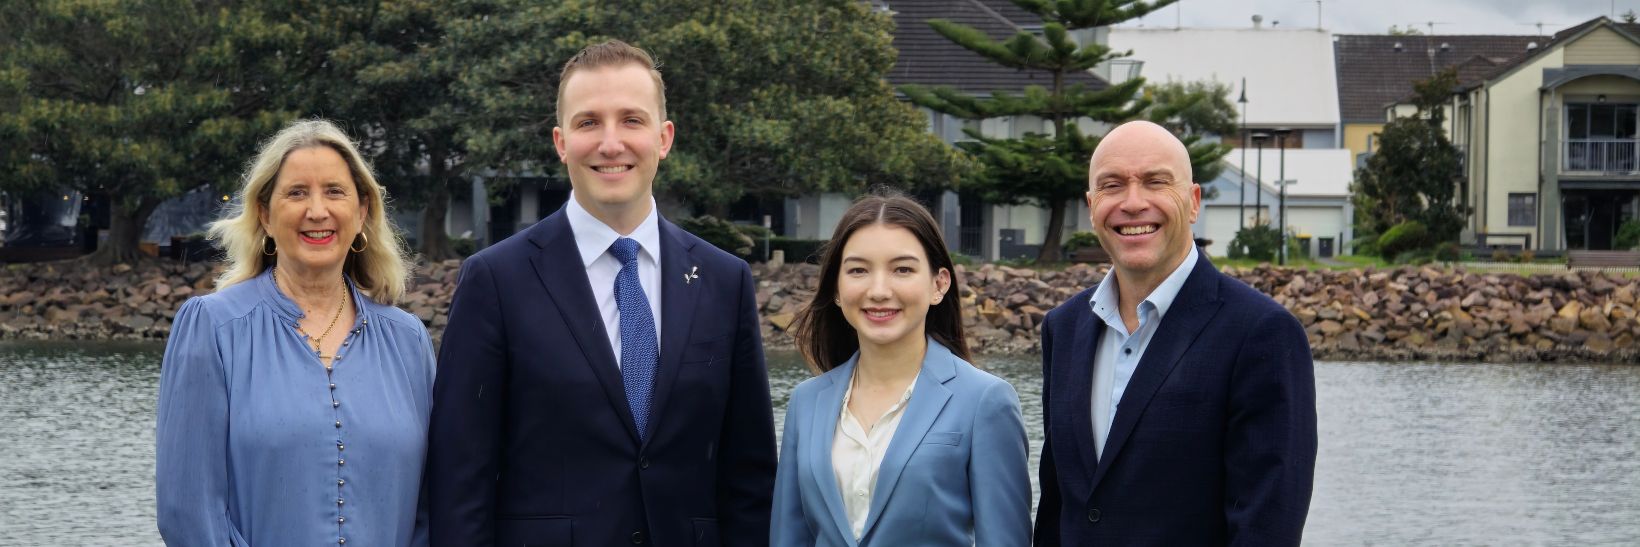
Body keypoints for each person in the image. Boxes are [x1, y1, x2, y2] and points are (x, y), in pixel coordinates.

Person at [425, 40, 776, 546]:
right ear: (561, 141)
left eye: (631, 120)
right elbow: (461, 477)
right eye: (589, 122)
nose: (611, 143)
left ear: (664, 137)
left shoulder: (725, 280)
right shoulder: (495, 280)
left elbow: (750, 475)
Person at [1033, 121, 1317, 546]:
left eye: (1155, 182)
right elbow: (1058, 506)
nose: (1133, 203)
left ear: (1193, 201)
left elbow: (1266, 525)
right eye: (1112, 186)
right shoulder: (1064, 328)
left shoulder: (1261, 334)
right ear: (1091, 206)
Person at [156, 119, 434, 546]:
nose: (317, 211)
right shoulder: (213, 329)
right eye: (297, 192)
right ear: (265, 214)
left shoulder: (408, 340)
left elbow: (431, 508)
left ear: (362, 212)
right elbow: (190, 513)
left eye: (335, 191)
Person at [772, 192, 1031, 547]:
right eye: (858, 270)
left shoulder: (985, 400)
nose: (879, 291)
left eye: (903, 269)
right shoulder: (806, 401)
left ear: (939, 284)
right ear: (835, 286)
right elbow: (789, 536)